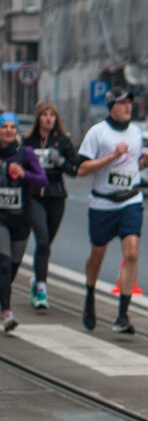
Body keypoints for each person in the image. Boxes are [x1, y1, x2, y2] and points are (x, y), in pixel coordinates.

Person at [75, 87, 148, 334]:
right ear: (111, 106)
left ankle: (122, 316)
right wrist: (112, 155)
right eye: (123, 103)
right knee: (97, 255)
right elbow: (81, 169)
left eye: (130, 103)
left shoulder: (136, 132)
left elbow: (132, 165)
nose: (128, 107)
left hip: (130, 200)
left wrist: (146, 163)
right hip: (102, 203)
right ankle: (90, 294)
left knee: (131, 252)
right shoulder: (97, 133)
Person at [24, 101, 82, 310]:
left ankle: (36, 280)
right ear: (38, 118)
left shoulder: (62, 141)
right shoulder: (28, 141)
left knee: (46, 246)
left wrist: (61, 163)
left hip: (56, 196)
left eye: (52, 115)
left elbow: (75, 169)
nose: (49, 118)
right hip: (34, 197)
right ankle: (41, 289)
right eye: (44, 115)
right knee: (42, 238)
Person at [0, 112, 48, 331]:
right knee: (3, 263)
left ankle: (3, 298)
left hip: (21, 218)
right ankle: (7, 313)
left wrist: (25, 174)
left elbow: (42, 179)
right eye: (4, 127)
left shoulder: (25, 153)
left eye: (12, 127)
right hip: (1, 218)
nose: (8, 130)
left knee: (12, 267)